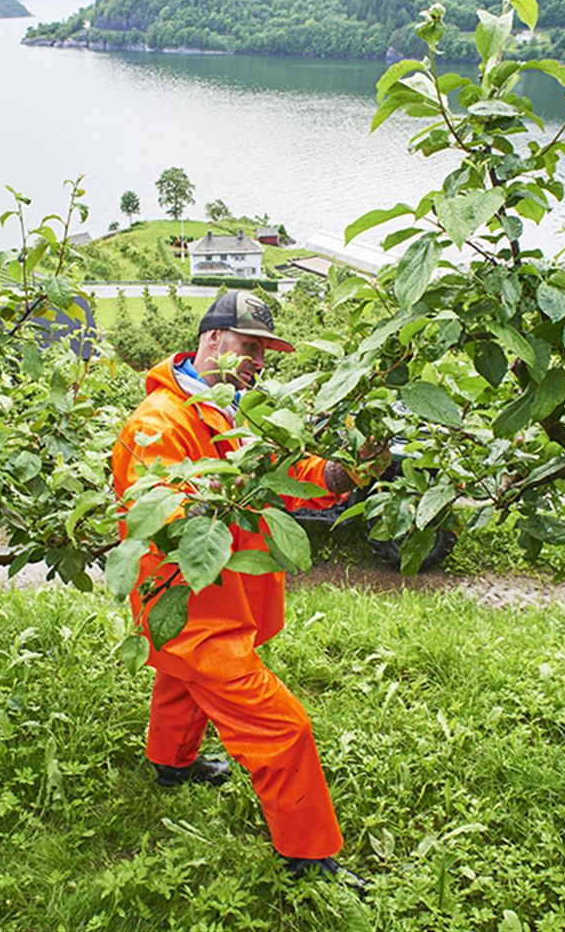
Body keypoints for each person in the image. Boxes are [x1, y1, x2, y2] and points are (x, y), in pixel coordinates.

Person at [110, 290, 387, 893]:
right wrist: (220, 499)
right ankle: (309, 856)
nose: (259, 360)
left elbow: (280, 476)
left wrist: (339, 475)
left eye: (265, 351)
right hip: (193, 607)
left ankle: (170, 766)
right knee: (282, 728)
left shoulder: (234, 412)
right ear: (212, 340)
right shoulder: (159, 422)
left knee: (180, 682)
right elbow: (159, 511)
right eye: (249, 346)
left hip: (220, 598)